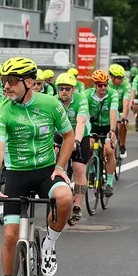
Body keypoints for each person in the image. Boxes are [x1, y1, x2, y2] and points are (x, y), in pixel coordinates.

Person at [0, 57, 73, 276]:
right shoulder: (2, 109)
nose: (6, 87)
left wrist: (60, 166)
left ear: (29, 83)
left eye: (12, 81)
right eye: (4, 81)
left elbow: (68, 136)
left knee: (65, 197)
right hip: (17, 174)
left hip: (46, 171)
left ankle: (49, 245)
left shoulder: (50, 104)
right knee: (10, 236)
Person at [56, 72, 90, 224]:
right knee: (54, 161)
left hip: (79, 134)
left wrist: (76, 140)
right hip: (60, 134)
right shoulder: (53, 101)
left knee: (78, 169)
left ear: (73, 90)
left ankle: (77, 205)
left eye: (67, 89)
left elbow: (81, 121)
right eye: (61, 88)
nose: (64, 91)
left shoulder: (81, 99)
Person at [84, 70, 119, 196]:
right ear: (94, 85)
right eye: (100, 85)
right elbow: (84, 115)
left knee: (109, 151)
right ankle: (92, 169)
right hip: (93, 127)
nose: (103, 87)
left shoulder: (113, 93)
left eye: (105, 84)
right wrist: (86, 132)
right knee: (87, 145)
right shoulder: (86, 94)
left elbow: (113, 111)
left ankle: (109, 183)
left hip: (108, 126)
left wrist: (112, 130)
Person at [108, 63, 130, 159]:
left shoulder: (126, 84)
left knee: (123, 123)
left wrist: (124, 116)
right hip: (109, 108)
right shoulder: (107, 84)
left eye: (122, 77)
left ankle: (122, 145)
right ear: (112, 77)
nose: (121, 80)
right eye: (119, 78)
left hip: (121, 107)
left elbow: (126, 102)